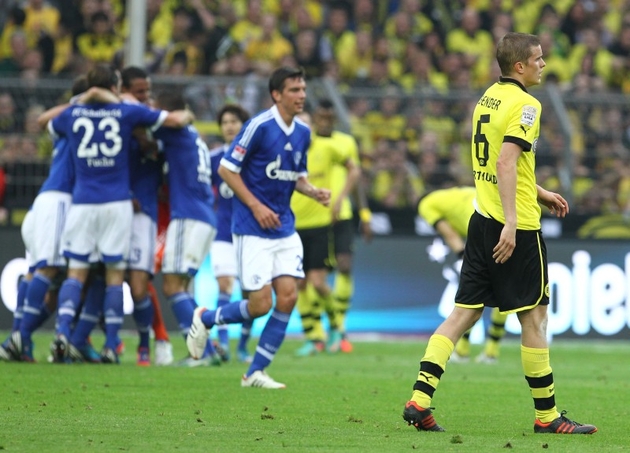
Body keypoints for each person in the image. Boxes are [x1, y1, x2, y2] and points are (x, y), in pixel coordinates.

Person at [402, 33, 597, 435]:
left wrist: (538, 191)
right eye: (538, 59)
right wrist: (512, 220)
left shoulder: (488, 97)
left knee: (464, 312)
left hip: (480, 219)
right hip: (517, 226)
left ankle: (419, 401)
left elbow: (497, 162)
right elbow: (507, 161)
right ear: (520, 66)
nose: (544, 64)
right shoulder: (527, 104)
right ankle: (547, 417)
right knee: (535, 317)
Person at [187, 66, 330, 389]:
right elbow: (226, 169)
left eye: (303, 89)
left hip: (284, 228)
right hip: (251, 228)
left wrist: (313, 191)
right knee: (260, 304)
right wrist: (255, 205)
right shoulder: (259, 127)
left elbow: (296, 177)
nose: (302, 95)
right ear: (276, 94)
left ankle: (255, 371)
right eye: (294, 90)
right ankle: (206, 318)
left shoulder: (304, 133)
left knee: (289, 297)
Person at [48, 65, 194, 364]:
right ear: (117, 87)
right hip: (117, 203)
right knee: (114, 275)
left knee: (78, 271)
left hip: (83, 201)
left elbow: (44, 122)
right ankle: (111, 344)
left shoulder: (74, 114)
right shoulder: (128, 114)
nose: (145, 97)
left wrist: (85, 98)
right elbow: (177, 119)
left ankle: (62, 333)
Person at [153, 90, 220, 367]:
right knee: (181, 286)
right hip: (204, 215)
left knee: (171, 286)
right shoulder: (193, 136)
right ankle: (209, 351)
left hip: (188, 216)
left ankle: (200, 353)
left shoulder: (176, 131)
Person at [291, 100, 362, 357]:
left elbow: (354, 170)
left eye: (307, 125)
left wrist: (341, 200)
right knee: (298, 284)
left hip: (321, 224)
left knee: (319, 282)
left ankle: (336, 327)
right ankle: (313, 337)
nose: (305, 130)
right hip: (292, 226)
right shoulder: (287, 152)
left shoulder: (328, 147)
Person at [418, 186, 507, 364]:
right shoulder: (457, 193)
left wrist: (463, 256)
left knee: (474, 293)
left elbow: (449, 233)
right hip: (503, 224)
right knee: (502, 290)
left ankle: (463, 350)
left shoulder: (425, 204)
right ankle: (491, 351)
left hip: (480, 232)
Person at [208, 103, 253, 363]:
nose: (229, 126)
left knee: (251, 294)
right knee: (224, 285)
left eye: (234, 121)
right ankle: (222, 343)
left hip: (249, 235)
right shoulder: (214, 159)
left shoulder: (253, 159)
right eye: (225, 122)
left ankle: (244, 345)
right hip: (223, 234)